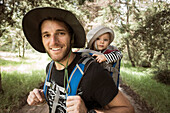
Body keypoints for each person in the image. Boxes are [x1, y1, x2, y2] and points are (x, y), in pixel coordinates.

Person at [23, 7, 134, 113]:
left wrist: (88, 112)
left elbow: (128, 109)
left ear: (71, 38)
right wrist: (43, 95)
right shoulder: (51, 67)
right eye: (46, 35)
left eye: (61, 33)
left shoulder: (92, 73)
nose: (53, 42)